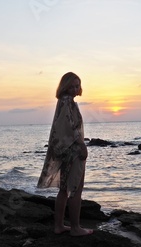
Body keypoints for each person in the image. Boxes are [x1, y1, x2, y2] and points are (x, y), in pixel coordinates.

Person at [37, 72, 93, 236]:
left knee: (64, 190)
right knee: (76, 189)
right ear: (65, 86)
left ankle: (59, 225)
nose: (76, 89)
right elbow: (69, 127)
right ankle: (75, 228)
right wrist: (82, 145)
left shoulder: (65, 102)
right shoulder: (67, 102)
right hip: (72, 152)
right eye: (73, 86)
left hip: (66, 151)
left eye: (78, 85)